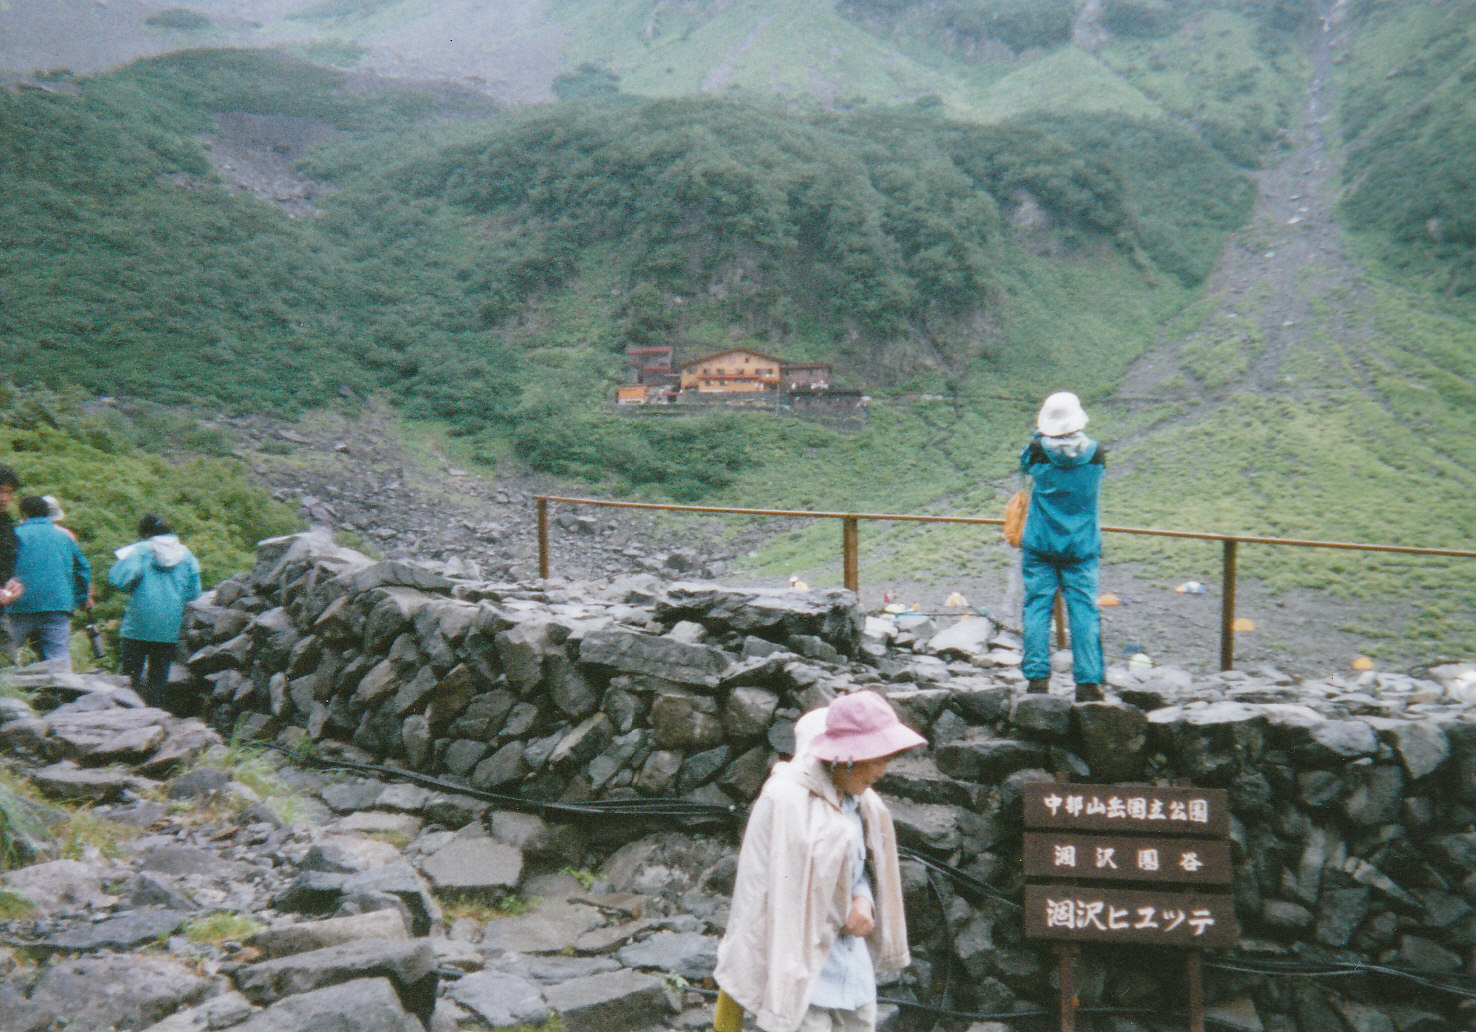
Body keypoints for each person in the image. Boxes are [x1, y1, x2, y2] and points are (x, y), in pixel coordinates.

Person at [715, 691, 926, 1032]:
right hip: (801, 964)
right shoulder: (787, 800)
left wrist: (863, 899)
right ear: (848, 757)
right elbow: (775, 895)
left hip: (848, 964)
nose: (882, 772)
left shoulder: (860, 801)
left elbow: (859, 868)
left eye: (886, 760)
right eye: (877, 760)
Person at [1019, 391, 1106, 701]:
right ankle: (1088, 681)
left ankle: (1037, 678)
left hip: (1040, 544)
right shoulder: (1096, 453)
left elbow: (1024, 466)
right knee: (1084, 611)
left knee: (1036, 608)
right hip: (1081, 547)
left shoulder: (1036, 451)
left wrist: (1040, 435)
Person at [108, 514, 201, 709]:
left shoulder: (141, 549)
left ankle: (127, 714)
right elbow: (194, 592)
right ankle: (154, 714)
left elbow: (119, 579)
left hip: (138, 622)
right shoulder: (186, 554)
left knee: (130, 675)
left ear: (146, 533)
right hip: (169, 623)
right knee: (159, 677)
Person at [9, 494, 92, 669]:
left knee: (6, 655)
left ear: (24, 514)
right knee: (59, 661)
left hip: (19, 605)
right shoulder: (65, 537)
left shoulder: (14, 535)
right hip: (57, 605)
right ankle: (64, 686)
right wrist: (80, 598)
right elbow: (82, 569)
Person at [0, 467, 23, 608]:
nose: (4, 499)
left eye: (9, 492)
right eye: (1, 491)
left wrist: (12, 582)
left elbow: (8, 559)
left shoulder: (6, 521)